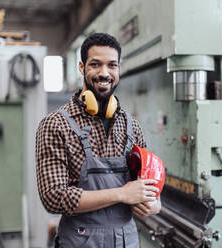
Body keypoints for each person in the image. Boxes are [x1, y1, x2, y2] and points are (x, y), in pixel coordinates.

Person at [35, 33, 161, 247]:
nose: (104, 73)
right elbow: (53, 197)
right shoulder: (56, 124)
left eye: (112, 65)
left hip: (126, 242)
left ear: (119, 69)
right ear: (81, 67)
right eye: (95, 64)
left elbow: (149, 187)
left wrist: (153, 204)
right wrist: (122, 194)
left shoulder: (132, 126)